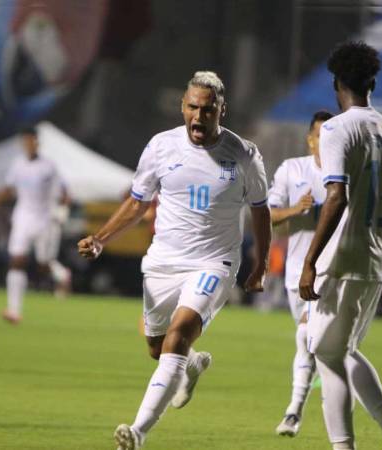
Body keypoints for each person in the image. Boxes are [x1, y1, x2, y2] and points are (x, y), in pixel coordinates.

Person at [78, 71, 271, 450]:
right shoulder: (161, 147)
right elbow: (138, 202)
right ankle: (192, 364)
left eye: (207, 110)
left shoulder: (244, 154)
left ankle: (137, 433)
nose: (198, 117)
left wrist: (260, 264)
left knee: (179, 332)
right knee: (158, 347)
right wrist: (100, 240)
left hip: (214, 263)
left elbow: (261, 210)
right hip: (163, 261)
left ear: (221, 110)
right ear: (183, 107)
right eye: (193, 108)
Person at [298, 41, 382, 450]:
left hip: (342, 258)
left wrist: (309, 261)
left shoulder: (336, 128)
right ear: (372, 83)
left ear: (337, 83)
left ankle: (346, 446)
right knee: (343, 349)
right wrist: (381, 248)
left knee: (326, 355)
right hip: (375, 257)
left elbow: (336, 195)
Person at [269, 110, 333, 437]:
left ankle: (293, 412)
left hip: (331, 272)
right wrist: (297, 209)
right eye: (322, 136)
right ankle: (333, 380)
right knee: (312, 343)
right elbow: (270, 216)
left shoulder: (345, 175)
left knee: (304, 336)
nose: (327, 143)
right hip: (296, 273)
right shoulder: (292, 170)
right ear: (310, 139)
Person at [0, 126, 70, 323]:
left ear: (37, 142)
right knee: (17, 260)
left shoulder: (48, 166)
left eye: (31, 140)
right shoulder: (18, 164)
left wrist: (61, 213)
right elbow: (9, 189)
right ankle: (14, 310)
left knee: (44, 263)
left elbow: (64, 193)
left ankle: (61, 274)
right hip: (23, 218)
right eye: (25, 141)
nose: (28, 144)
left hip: (44, 220)